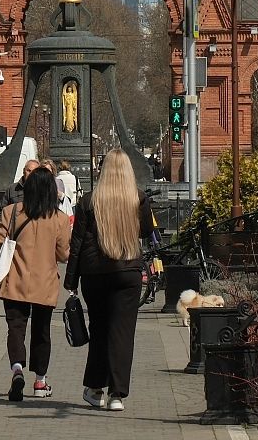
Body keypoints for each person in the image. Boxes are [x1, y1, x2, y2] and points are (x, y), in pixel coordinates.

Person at [65, 149, 155, 412]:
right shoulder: (138, 199)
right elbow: (148, 231)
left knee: (100, 330)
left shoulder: (89, 202)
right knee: (122, 334)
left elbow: (77, 243)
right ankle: (118, 394)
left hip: (95, 274)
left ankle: (95, 388)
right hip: (127, 272)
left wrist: (70, 280)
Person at [0, 167, 71, 401]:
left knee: (15, 328)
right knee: (41, 332)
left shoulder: (11, 212)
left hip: (15, 280)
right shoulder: (59, 219)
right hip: (45, 283)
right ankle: (40, 381)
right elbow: (63, 254)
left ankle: (17, 368)